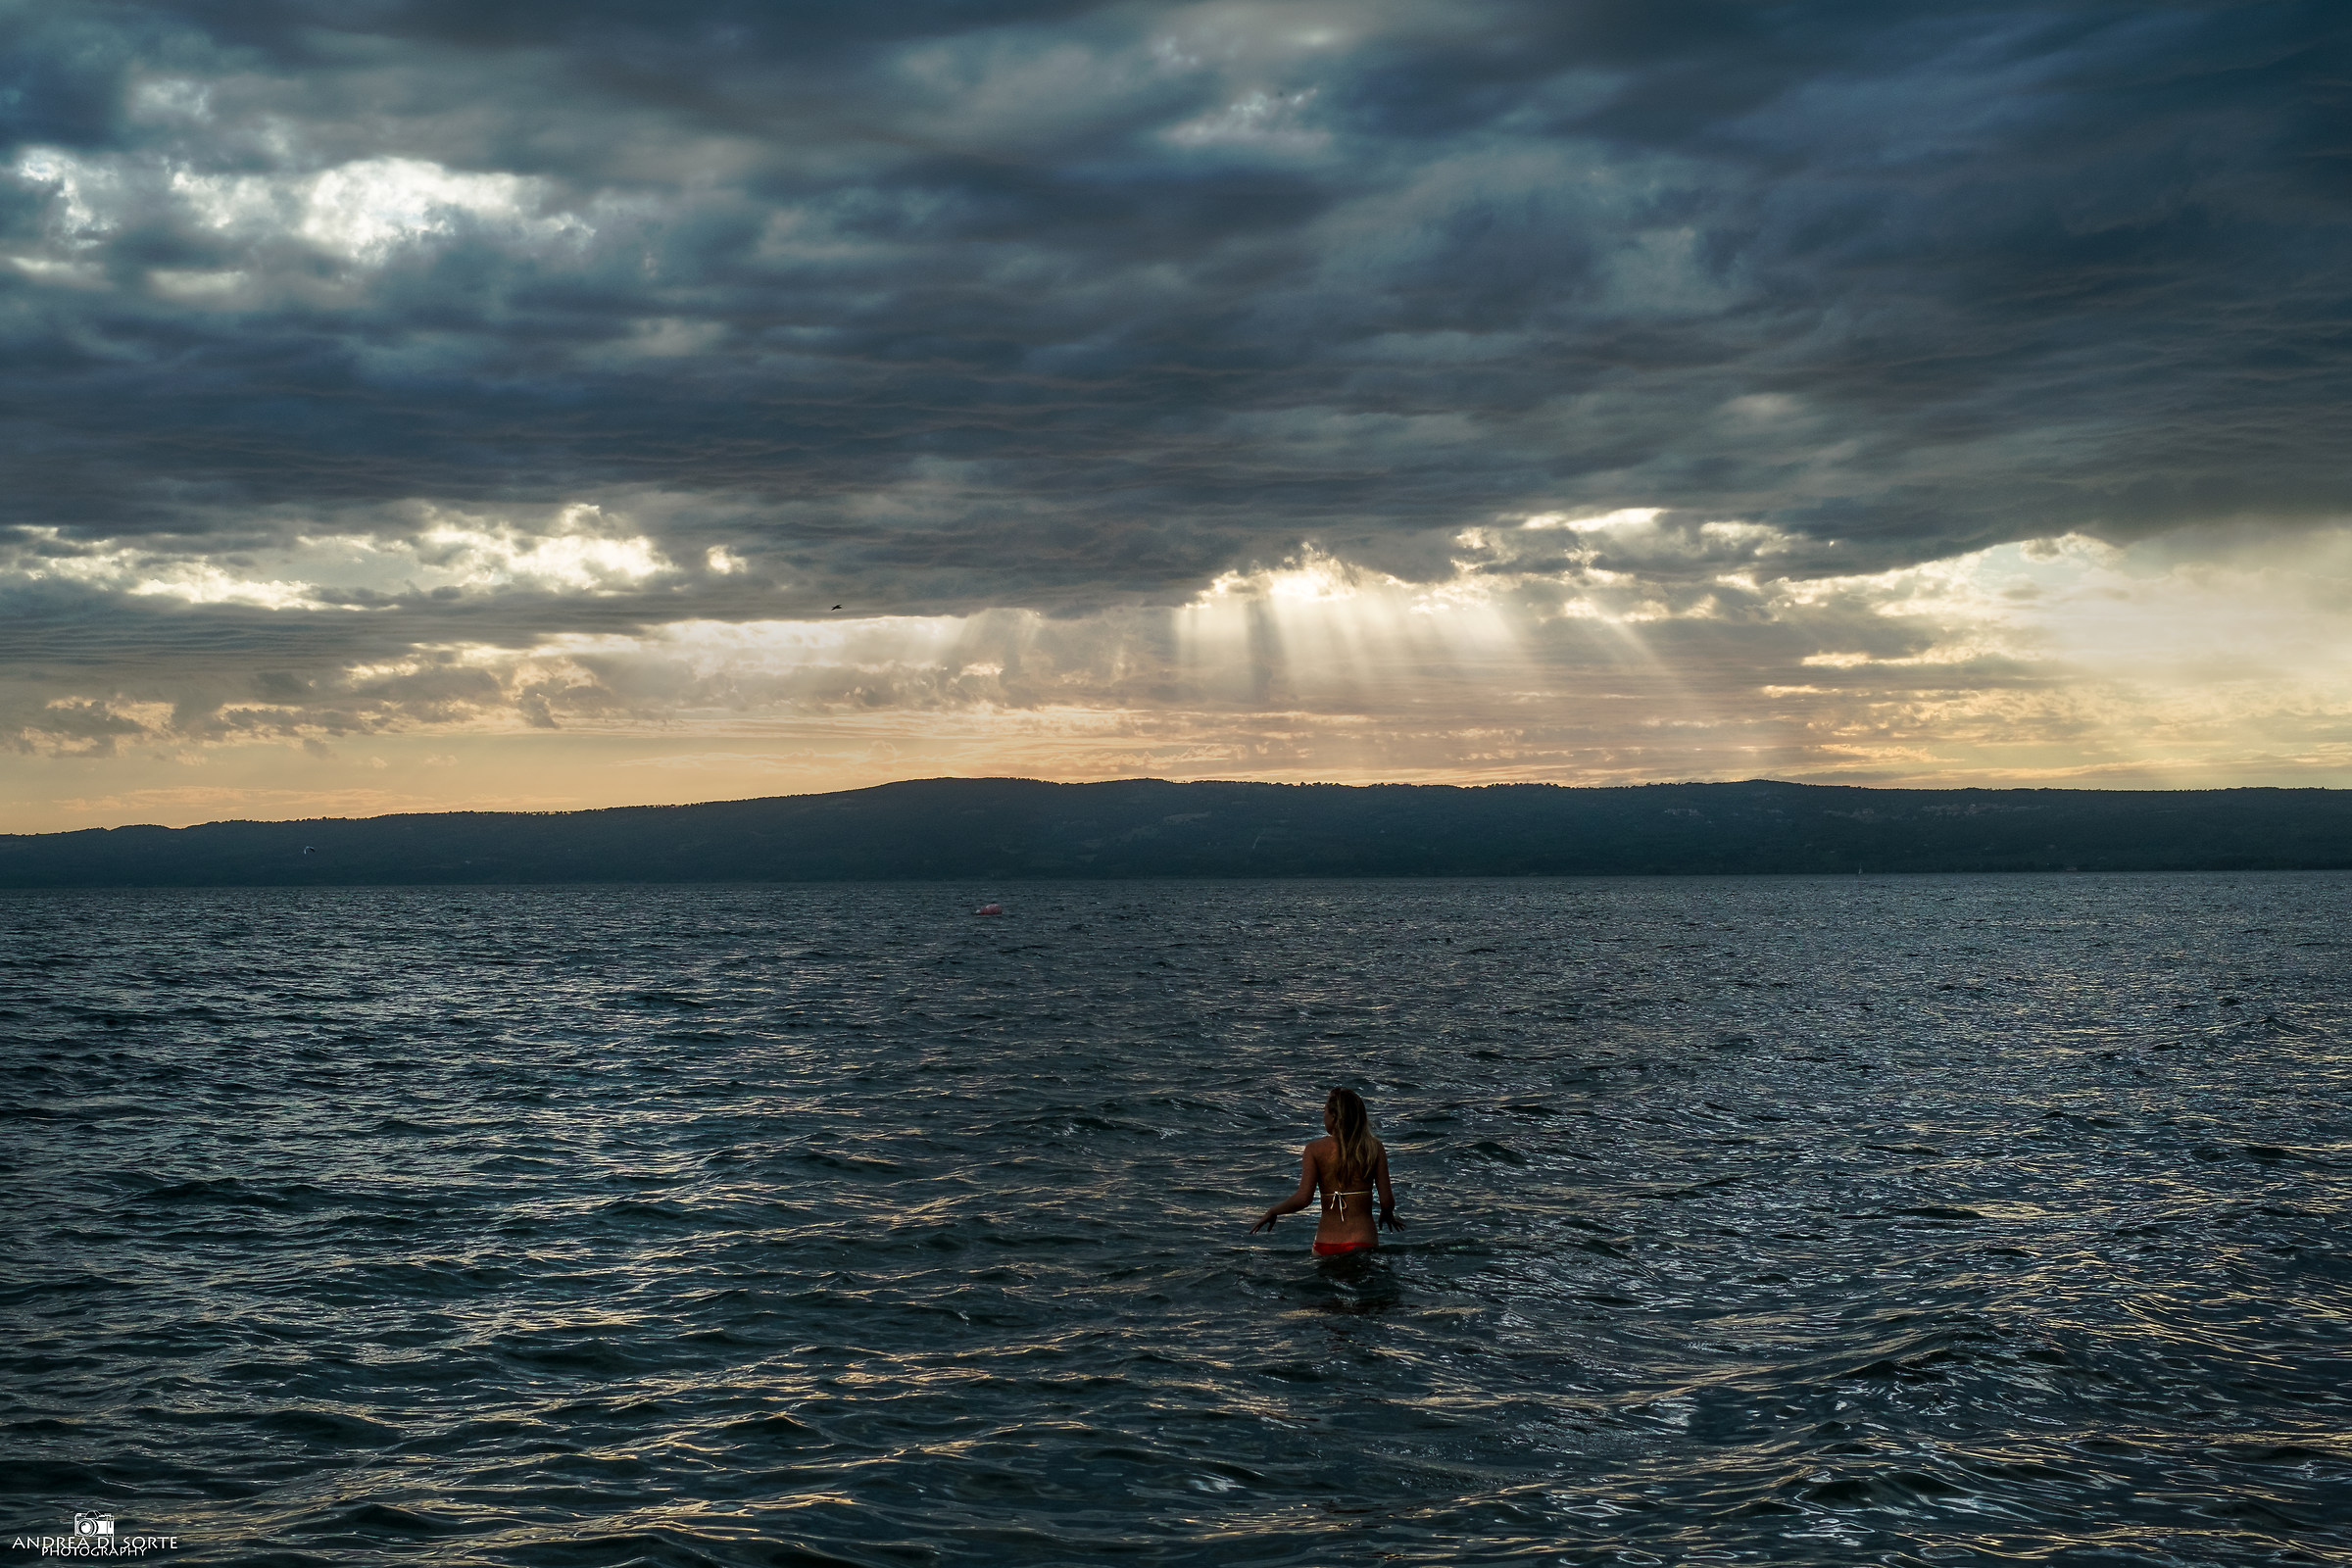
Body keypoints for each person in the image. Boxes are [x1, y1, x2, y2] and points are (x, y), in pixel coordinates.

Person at [1249, 1087, 1401, 1254]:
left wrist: (1273, 1211)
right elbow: (1386, 1201)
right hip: (1363, 1240)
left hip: (1326, 1243)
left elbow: (1303, 1199)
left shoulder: (1314, 1150)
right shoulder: (1374, 1148)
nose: (1323, 1116)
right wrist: (1387, 1213)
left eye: (1324, 1111)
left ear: (1334, 1116)